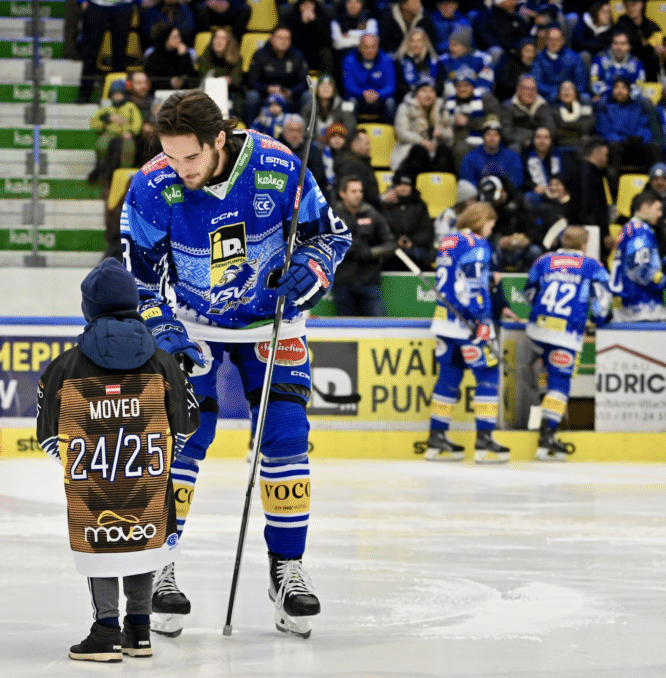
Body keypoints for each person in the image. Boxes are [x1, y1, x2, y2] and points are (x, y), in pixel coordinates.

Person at [119, 90, 352, 638]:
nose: (180, 169)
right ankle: (160, 566)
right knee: (183, 436)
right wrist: (163, 331)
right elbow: (139, 279)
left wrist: (312, 273)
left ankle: (285, 568)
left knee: (287, 434)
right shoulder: (153, 186)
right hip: (192, 322)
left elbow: (331, 236)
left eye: (191, 158)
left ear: (219, 139)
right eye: (170, 156)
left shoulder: (278, 167)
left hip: (272, 320)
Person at [35, 258, 199, 662]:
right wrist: (159, 464)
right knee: (143, 543)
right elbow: (188, 421)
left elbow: (46, 432)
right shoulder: (163, 363)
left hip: (91, 484)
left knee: (102, 546)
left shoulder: (64, 367)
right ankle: (138, 632)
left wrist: (82, 467)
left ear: (88, 309)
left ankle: (106, 632)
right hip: (149, 481)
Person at [423, 202, 510, 464]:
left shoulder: (448, 241)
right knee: (487, 375)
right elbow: (473, 284)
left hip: (444, 321)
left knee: (448, 378)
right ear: (481, 220)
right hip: (468, 324)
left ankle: (436, 440)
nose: (491, 229)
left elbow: (455, 278)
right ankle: (484, 442)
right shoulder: (478, 245)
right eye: (490, 224)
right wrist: (483, 318)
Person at [523, 227, 611, 460]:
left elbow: (529, 293)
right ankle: (548, 435)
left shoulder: (544, 260)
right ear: (585, 244)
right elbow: (602, 302)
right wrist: (600, 319)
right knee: (560, 383)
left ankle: (543, 421)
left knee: (545, 376)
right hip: (566, 333)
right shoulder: (593, 266)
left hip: (538, 329)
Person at [331, 175, 397, 316]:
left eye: (360, 191)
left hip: (369, 280)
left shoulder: (372, 214)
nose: (358, 195)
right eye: (353, 191)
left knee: (380, 327)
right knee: (345, 331)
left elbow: (391, 244)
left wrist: (372, 252)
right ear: (342, 193)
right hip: (342, 281)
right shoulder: (332, 216)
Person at [609, 191, 666, 321]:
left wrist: (662, 261)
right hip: (642, 307)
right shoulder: (640, 230)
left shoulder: (629, 228)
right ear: (644, 207)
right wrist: (664, 280)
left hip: (629, 304)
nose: (660, 214)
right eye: (658, 209)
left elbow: (636, 261)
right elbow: (638, 268)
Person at [245, 24, 311, 126]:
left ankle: (304, 134)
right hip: (265, 95)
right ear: (272, 39)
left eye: (287, 38)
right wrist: (268, 88)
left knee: (307, 96)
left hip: (289, 96)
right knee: (252, 96)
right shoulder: (260, 54)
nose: (283, 41)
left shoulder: (298, 56)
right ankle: (251, 130)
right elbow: (251, 81)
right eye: (280, 38)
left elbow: (304, 83)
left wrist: (290, 92)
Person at [391, 78, 455, 175]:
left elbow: (450, 137)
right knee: (419, 150)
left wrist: (442, 134)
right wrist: (422, 141)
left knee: (445, 152)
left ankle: (439, 187)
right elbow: (401, 133)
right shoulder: (405, 107)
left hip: (435, 149)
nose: (428, 95)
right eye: (424, 91)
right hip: (411, 149)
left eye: (431, 91)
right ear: (416, 93)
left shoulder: (442, 109)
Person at [75, 0, 134, 104]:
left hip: (123, 5)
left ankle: (120, 94)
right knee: (90, 53)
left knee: (120, 53)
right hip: (96, 4)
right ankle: (84, 93)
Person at [87, 79, 142, 184]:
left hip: (126, 134)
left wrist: (131, 131)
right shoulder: (106, 109)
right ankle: (101, 169)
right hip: (109, 133)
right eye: (114, 94)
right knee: (101, 145)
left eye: (120, 94)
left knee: (128, 149)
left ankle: (123, 174)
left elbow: (137, 122)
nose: (117, 96)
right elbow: (94, 123)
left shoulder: (131, 107)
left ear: (124, 95)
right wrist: (108, 119)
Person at [380, 169, 435, 271]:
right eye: (400, 184)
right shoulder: (385, 206)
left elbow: (427, 231)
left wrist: (412, 241)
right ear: (394, 186)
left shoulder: (420, 206)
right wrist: (396, 241)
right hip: (391, 250)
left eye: (407, 184)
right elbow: (381, 229)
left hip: (415, 249)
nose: (403, 188)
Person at [342, 32, 398, 123]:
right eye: (366, 47)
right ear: (360, 47)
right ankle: (350, 133)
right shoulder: (349, 61)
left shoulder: (387, 60)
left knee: (391, 102)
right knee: (348, 104)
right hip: (358, 97)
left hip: (380, 98)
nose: (370, 50)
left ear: (378, 47)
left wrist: (378, 94)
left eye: (373, 47)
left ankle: (391, 133)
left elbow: (391, 86)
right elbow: (348, 86)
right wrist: (363, 93)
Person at [459, 119, 524, 190]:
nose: (492, 138)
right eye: (488, 134)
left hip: (505, 194)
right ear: (483, 137)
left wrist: (504, 191)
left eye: (496, 135)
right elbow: (468, 182)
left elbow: (517, 178)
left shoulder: (512, 157)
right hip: (479, 195)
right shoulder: (470, 158)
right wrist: (485, 191)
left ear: (500, 137)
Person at [530, 25, 589, 104]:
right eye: (551, 39)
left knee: (585, 97)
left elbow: (581, 83)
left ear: (563, 40)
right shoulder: (539, 58)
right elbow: (536, 83)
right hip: (548, 95)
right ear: (546, 41)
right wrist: (557, 92)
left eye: (557, 39)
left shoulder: (574, 57)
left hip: (571, 94)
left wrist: (569, 93)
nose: (554, 42)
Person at [194, 26, 244, 118]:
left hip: (230, 92)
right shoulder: (204, 57)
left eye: (223, 38)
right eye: (216, 37)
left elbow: (238, 80)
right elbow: (204, 77)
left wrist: (231, 80)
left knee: (236, 97)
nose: (219, 41)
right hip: (208, 92)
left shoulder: (236, 58)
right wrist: (221, 80)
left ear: (229, 42)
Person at [500, 74, 556, 154]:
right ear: (518, 90)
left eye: (533, 89)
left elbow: (551, 128)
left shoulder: (543, 105)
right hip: (519, 144)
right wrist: (527, 140)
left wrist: (537, 140)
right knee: (514, 148)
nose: (530, 93)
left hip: (540, 143)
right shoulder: (508, 107)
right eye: (526, 89)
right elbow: (507, 134)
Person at [279, 0, 335, 75]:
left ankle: (326, 82)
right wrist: (303, 23)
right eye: (304, 4)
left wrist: (315, 22)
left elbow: (327, 41)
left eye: (310, 4)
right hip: (299, 52)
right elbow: (291, 41)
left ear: (315, 5)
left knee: (326, 53)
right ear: (299, 6)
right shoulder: (290, 17)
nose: (307, 6)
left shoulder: (323, 16)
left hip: (317, 53)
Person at [590, 29, 645, 101]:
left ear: (629, 46)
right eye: (615, 43)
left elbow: (639, 87)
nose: (619, 47)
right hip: (605, 100)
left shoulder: (637, 63)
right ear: (611, 45)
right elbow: (594, 83)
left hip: (629, 101)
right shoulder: (599, 59)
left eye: (623, 43)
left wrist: (622, 95)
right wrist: (615, 93)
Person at [143, 24, 197, 92]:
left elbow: (191, 77)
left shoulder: (184, 54)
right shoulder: (154, 56)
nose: (179, 40)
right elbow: (151, 81)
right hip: (160, 92)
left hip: (183, 92)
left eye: (179, 36)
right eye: (175, 37)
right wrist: (170, 83)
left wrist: (182, 57)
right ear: (166, 39)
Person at [302, 74, 356, 141]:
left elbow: (350, 128)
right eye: (322, 85)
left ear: (334, 89)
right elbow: (304, 130)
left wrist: (338, 137)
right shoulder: (309, 107)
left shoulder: (343, 106)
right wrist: (315, 139)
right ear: (317, 89)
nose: (325, 88)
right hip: (314, 144)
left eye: (329, 85)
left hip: (338, 144)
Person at [552, 80, 595, 149]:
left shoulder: (585, 107)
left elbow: (586, 127)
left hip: (582, 145)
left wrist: (563, 125)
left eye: (570, 89)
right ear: (559, 95)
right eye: (563, 89)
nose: (566, 92)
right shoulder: (554, 110)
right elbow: (555, 131)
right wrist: (577, 127)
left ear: (576, 93)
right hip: (560, 144)